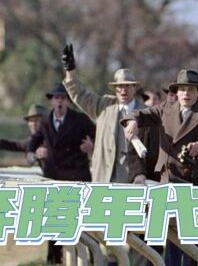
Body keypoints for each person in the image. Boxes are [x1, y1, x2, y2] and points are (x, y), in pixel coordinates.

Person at [122, 69, 198, 266]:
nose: (186, 94)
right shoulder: (164, 109)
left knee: (191, 240)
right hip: (167, 182)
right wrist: (132, 122)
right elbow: (139, 113)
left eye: (191, 90)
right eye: (182, 89)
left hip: (193, 184)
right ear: (176, 92)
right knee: (171, 238)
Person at [27, 83, 96, 265]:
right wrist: (33, 154)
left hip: (76, 176)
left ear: (68, 101)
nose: (60, 101)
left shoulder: (80, 119)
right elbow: (33, 142)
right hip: (54, 177)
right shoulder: (46, 122)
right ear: (51, 101)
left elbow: (98, 136)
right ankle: (55, 260)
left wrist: (91, 146)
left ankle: (91, 259)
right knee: (54, 221)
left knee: (83, 223)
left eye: (63, 98)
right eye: (56, 98)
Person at [61, 44, 147, 183]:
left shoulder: (145, 112)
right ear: (115, 89)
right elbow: (80, 94)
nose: (123, 90)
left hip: (132, 182)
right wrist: (70, 71)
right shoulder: (105, 105)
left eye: (127, 86)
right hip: (103, 179)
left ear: (134, 88)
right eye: (119, 86)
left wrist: (143, 174)